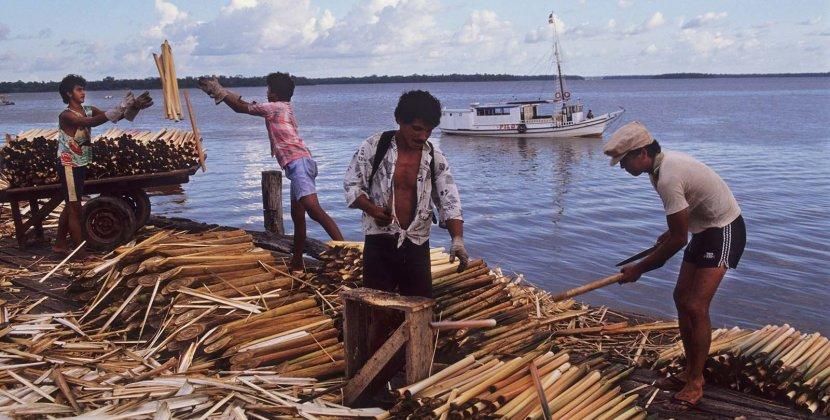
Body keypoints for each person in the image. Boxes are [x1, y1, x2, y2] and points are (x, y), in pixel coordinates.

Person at [604, 121, 746, 410]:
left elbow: (679, 240)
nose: (622, 168)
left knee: (696, 305)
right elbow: (686, 212)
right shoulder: (656, 170)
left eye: (624, 161)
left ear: (642, 152)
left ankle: (696, 381)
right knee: (681, 298)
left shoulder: (668, 175)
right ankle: (689, 370)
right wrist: (672, 232)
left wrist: (639, 269)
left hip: (724, 229)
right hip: (704, 229)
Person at [198, 73, 343, 270]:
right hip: (298, 165)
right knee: (298, 217)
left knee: (314, 210)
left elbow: (242, 107)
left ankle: (347, 250)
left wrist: (219, 91)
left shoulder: (276, 108)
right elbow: (244, 103)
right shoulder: (283, 107)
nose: (266, 93)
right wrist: (223, 93)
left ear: (273, 94)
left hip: (298, 163)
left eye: (268, 90)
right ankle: (297, 261)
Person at [344, 90, 469, 298]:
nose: (422, 137)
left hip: (416, 242)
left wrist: (457, 239)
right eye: (417, 129)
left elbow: (449, 200)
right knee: (376, 307)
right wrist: (373, 210)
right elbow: (352, 185)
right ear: (399, 120)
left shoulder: (434, 158)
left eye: (428, 131)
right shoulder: (374, 147)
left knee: (419, 305)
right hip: (379, 240)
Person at [53, 74, 152, 257]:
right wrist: (120, 106)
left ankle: (60, 244)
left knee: (70, 205)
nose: (83, 93)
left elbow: (111, 118)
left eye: (83, 89)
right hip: (68, 164)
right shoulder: (66, 115)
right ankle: (79, 251)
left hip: (80, 162)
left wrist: (133, 107)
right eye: (79, 89)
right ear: (68, 94)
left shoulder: (88, 109)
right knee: (75, 208)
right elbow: (90, 123)